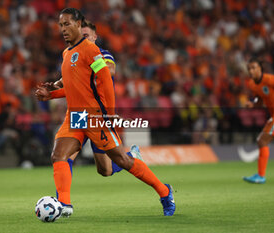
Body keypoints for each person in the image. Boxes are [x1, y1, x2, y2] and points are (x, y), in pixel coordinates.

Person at [35, 8, 175, 217]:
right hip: (75, 117)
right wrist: (51, 95)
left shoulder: (91, 50)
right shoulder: (66, 53)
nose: (63, 29)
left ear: (78, 24)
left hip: (95, 116)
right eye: (60, 25)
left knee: (120, 161)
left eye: (67, 24)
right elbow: (74, 88)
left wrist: (109, 113)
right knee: (59, 155)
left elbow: (106, 80)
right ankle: (64, 204)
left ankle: (164, 191)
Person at [41, 20, 142, 177]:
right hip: (79, 115)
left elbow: (110, 70)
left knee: (105, 170)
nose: (83, 39)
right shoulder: (74, 56)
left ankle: (131, 157)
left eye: (86, 36)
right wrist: (54, 86)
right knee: (63, 157)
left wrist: (93, 66)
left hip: (98, 115)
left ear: (95, 37)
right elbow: (69, 84)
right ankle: (62, 201)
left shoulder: (102, 54)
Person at [243, 58, 274, 184]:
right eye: (249, 69)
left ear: (260, 69)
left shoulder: (270, 80)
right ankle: (260, 175)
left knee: (262, 140)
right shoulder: (252, 84)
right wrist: (253, 105)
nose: (251, 71)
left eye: (253, 68)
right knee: (261, 141)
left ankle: (261, 176)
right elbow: (261, 101)